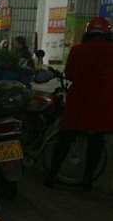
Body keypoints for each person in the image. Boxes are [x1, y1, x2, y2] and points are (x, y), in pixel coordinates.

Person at [44, 17, 113, 191]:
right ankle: (87, 181)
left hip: (78, 101)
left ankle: (51, 175)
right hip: (102, 103)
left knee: (65, 138)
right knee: (96, 142)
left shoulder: (77, 50)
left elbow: (69, 74)